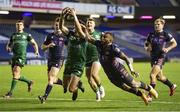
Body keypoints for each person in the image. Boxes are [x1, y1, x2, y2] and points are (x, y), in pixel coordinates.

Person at [83, 30, 158, 105]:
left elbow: (126, 58)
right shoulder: (99, 43)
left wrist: (132, 70)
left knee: (134, 84)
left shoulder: (113, 49)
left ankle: (150, 88)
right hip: (110, 74)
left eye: (104, 37)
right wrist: (84, 28)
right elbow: (88, 38)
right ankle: (141, 94)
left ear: (110, 40)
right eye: (102, 37)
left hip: (119, 70)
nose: (102, 38)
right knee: (125, 88)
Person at [144, 17, 177, 101]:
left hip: (160, 57)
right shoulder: (151, 34)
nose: (156, 26)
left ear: (162, 25)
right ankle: (172, 86)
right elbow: (146, 43)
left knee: (152, 75)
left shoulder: (166, 34)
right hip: (153, 57)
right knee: (159, 77)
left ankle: (150, 95)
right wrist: (147, 48)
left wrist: (167, 49)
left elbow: (174, 43)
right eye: (155, 24)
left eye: (158, 24)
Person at [4, 20, 39, 98]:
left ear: (23, 26)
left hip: (21, 57)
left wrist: (36, 51)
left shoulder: (26, 35)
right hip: (14, 57)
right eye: (17, 25)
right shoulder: (13, 35)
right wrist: (8, 48)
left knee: (16, 73)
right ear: (16, 26)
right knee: (16, 75)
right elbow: (8, 44)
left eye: (20, 25)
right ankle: (29, 82)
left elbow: (34, 43)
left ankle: (10, 93)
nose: (19, 26)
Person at [59, 7, 86, 101]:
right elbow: (61, 27)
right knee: (64, 85)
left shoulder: (84, 37)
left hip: (79, 64)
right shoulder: (70, 34)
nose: (75, 27)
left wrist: (74, 15)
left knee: (70, 89)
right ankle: (77, 84)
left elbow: (79, 29)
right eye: (75, 25)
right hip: (69, 62)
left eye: (77, 25)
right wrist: (62, 16)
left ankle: (75, 90)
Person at [38, 17, 66, 104]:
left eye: (59, 25)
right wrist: (48, 45)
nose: (57, 27)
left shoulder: (64, 37)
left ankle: (44, 97)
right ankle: (65, 84)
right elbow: (42, 47)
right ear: (54, 25)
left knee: (51, 78)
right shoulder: (50, 36)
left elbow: (70, 47)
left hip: (59, 59)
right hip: (50, 60)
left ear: (62, 26)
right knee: (52, 79)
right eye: (56, 25)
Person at [85, 18, 105, 101]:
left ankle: (100, 87)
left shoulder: (100, 34)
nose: (89, 24)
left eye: (91, 23)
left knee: (94, 74)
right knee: (89, 80)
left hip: (96, 57)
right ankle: (97, 93)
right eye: (88, 22)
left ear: (94, 25)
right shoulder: (82, 34)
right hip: (86, 59)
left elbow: (106, 43)